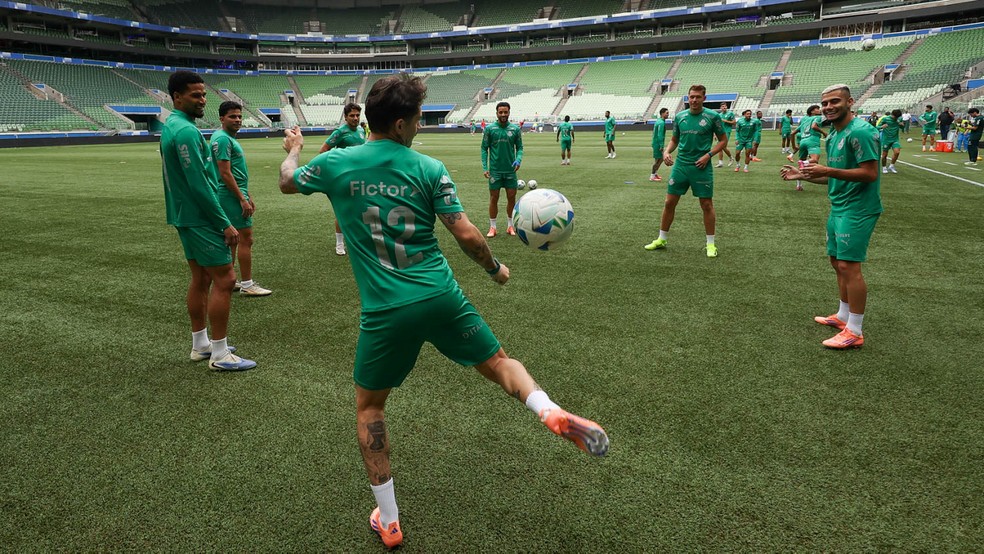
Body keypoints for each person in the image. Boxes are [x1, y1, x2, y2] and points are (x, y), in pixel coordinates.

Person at [276, 74, 609, 550]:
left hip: (386, 311)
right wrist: (495, 270)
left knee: (371, 407)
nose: (419, 129)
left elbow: (288, 181)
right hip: (439, 295)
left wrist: (292, 148)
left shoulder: (336, 163)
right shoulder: (429, 168)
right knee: (497, 362)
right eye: (416, 121)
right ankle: (549, 410)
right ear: (397, 124)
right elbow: (469, 236)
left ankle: (388, 520)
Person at [161, 70, 255, 371]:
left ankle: (201, 344)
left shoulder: (174, 125)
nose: (202, 100)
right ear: (177, 97)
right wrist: (223, 223)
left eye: (204, 94)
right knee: (226, 279)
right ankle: (220, 354)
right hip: (198, 217)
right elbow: (199, 184)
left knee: (200, 278)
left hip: (183, 215)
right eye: (195, 95)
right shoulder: (186, 132)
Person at [780, 84, 882, 349]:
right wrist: (803, 175)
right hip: (839, 207)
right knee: (837, 262)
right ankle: (843, 316)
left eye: (835, 101)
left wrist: (827, 170)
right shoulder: (834, 135)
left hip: (858, 208)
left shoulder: (860, 131)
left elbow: (870, 174)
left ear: (850, 101)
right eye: (825, 103)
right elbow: (832, 177)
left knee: (850, 266)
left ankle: (855, 331)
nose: (828, 107)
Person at [644, 84, 727, 258]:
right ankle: (661, 239)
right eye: (691, 97)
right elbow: (674, 139)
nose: (694, 100)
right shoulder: (680, 116)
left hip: (701, 167)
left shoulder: (713, 117)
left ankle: (710, 244)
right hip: (681, 165)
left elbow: (723, 141)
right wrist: (667, 152)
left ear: (704, 98)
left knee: (706, 205)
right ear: (688, 98)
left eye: (698, 97)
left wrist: (708, 155)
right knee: (669, 202)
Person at [210, 101, 272, 297]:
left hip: (234, 194)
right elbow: (225, 173)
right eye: (232, 117)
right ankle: (247, 284)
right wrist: (242, 199)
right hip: (229, 196)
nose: (237, 120)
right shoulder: (223, 139)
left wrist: (248, 195)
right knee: (246, 239)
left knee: (234, 239)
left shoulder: (224, 138)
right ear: (221, 118)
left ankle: (230, 279)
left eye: (239, 116)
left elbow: (235, 174)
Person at [319, 102, 367, 255]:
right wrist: (335, 169)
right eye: (352, 115)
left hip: (360, 177)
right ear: (345, 117)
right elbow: (323, 151)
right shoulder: (340, 132)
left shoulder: (361, 130)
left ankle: (357, 240)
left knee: (360, 209)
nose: (355, 118)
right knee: (343, 210)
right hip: (344, 177)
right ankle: (340, 244)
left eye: (357, 115)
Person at [481, 101, 523, 237]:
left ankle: (510, 226)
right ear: (497, 113)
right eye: (501, 112)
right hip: (495, 171)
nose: (503, 114)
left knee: (512, 198)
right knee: (494, 198)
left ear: (509, 112)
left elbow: (520, 147)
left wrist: (518, 159)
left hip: (510, 171)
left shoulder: (515, 129)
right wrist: (485, 167)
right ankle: (493, 227)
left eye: (506, 112)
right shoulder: (490, 129)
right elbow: (484, 148)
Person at [788, 105, 827, 191]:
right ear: (812, 111)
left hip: (802, 142)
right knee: (814, 160)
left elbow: (792, 133)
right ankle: (803, 162)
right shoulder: (818, 117)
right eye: (817, 109)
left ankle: (798, 185)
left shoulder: (805, 120)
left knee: (802, 162)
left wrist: (794, 146)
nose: (819, 110)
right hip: (812, 140)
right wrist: (824, 133)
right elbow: (814, 126)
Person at [877, 109, 903, 174]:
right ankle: (884, 167)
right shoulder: (885, 119)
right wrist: (881, 127)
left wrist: (902, 125)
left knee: (897, 152)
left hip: (895, 139)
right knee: (884, 155)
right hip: (886, 139)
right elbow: (876, 127)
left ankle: (891, 165)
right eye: (896, 117)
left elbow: (902, 127)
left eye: (898, 117)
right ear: (892, 115)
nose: (896, 118)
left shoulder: (899, 119)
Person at [649, 108, 668, 181]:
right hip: (657, 144)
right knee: (658, 160)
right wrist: (661, 146)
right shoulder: (661, 123)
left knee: (660, 159)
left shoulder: (659, 121)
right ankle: (652, 176)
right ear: (662, 113)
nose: (668, 114)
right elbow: (660, 135)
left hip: (656, 143)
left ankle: (655, 174)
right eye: (666, 113)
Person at [715, 103, 736, 167]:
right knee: (719, 147)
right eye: (723, 106)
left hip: (727, 131)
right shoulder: (719, 115)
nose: (724, 107)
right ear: (720, 108)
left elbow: (734, 122)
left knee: (722, 146)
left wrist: (725, 121)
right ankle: (720, 163)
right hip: (720, 132)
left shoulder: (730, 113)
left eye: (725, 106)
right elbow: (717, 125)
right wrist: (715, 134)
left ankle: (731, 158)